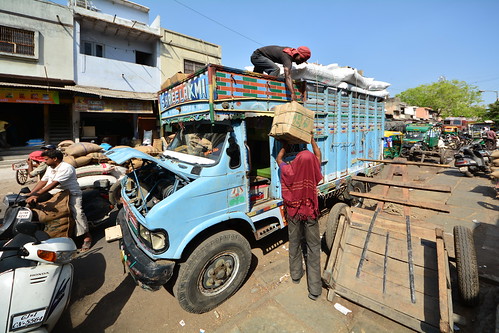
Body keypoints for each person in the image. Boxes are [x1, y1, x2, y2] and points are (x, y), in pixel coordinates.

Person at [276, 134, 323, 300]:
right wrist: (311, 140)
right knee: (313, 247)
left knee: (294, 242)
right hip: (310, 211)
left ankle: (296, 276)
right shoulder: (313, 166)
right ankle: (315, 290)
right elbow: (318, 156)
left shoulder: (290, 169)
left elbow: (279, 159)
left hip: (293, 211)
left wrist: (284, 145)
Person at [26, 149, 92, 251]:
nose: (45, 161)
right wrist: (31, 194)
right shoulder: (50, 167)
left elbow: (54, 184)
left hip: (71, 193)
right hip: (55, 192)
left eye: (46, 159)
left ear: (55, 159)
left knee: (78, 213)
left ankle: (86, 237)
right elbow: (43, 182)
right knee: (32, 206)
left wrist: (37, 194)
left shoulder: (66, 168)